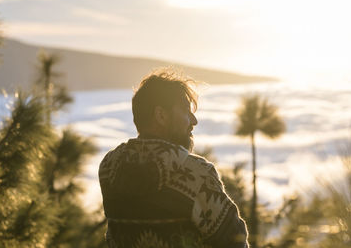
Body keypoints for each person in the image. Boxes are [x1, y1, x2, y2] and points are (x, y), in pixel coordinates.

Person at [98, 69, 249, 247]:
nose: (194, 120)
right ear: (161, 115)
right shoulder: (197, 174)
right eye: (186, 111)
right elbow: (235, 242)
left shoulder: (109, 168)